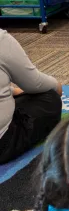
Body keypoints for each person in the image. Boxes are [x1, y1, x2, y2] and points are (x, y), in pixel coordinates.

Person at [0, 29, 62, 165]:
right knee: (49, 97)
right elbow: (34, 83)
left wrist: (11, 91)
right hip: (3, 144)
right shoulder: (1, 40)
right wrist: (56, 85)